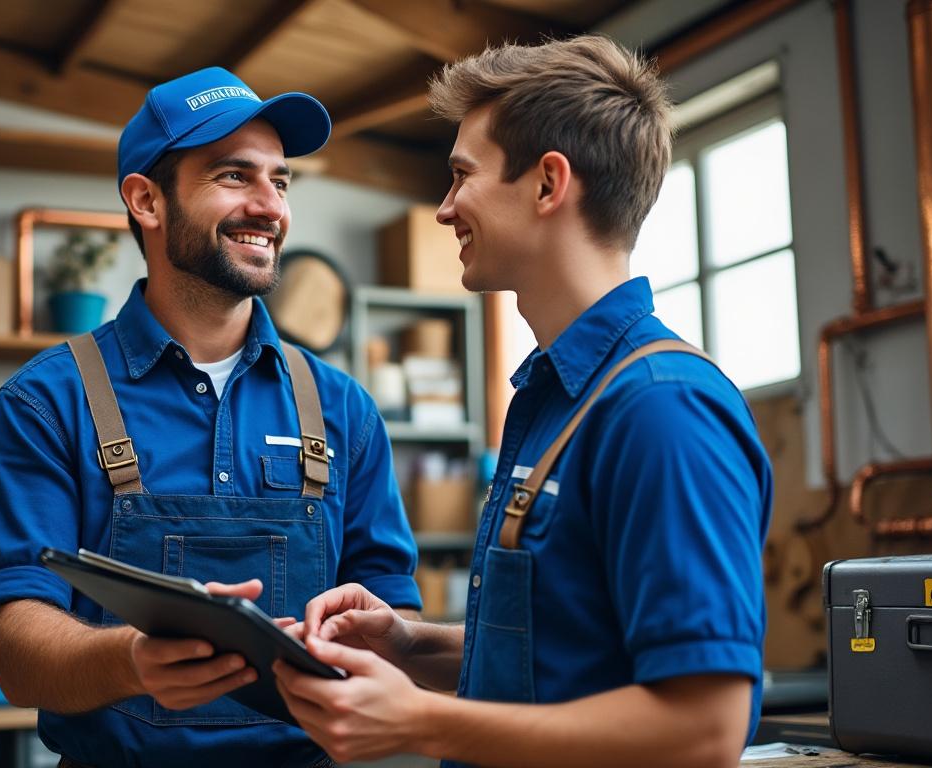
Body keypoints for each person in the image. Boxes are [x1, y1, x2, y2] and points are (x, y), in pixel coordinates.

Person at [273, 35, 773, 768]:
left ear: (547, 184)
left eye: (461, 176)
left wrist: (422, 723)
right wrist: (409, 646)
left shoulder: (660, 412)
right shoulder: (553, 399)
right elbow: (561, 649)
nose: (445, 209)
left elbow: (705, 729)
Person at [0, 67, 422, 768]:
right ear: (146, 200)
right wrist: (130, 659)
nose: (270, 207)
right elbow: (17, 653)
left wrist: (371, 648)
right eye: (235, 176)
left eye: (280, 181)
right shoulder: (45, 403)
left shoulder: (343, 408)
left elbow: (397, 617)